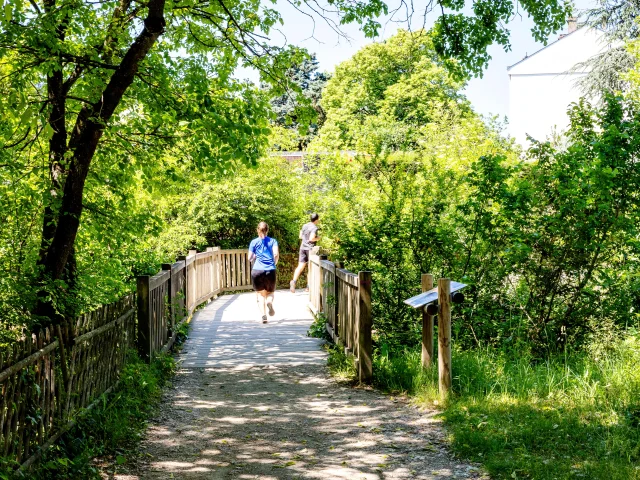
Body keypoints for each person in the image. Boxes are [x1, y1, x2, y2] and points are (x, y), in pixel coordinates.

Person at [248, 221, 279, 323]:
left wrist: (255, 256)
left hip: (257, 271)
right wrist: (274, 264)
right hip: (270, 270)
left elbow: (249, 258)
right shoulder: (273, 241)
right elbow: (275, 254)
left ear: (258, 230)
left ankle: (263, 316)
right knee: (270, 293)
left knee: (261, 295)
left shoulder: (254, 242)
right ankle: (269, 302)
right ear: (267, 230)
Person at [290, 213, 320, 293]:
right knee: (310, 269)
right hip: (310, 249)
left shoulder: (304, 226)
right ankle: (308, 287)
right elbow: (311, 238)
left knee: (300, 267)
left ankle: (293, 282)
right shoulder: (314, 227)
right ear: (316, 219)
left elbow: (300, 236)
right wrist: (318, 238)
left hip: (302, 247)